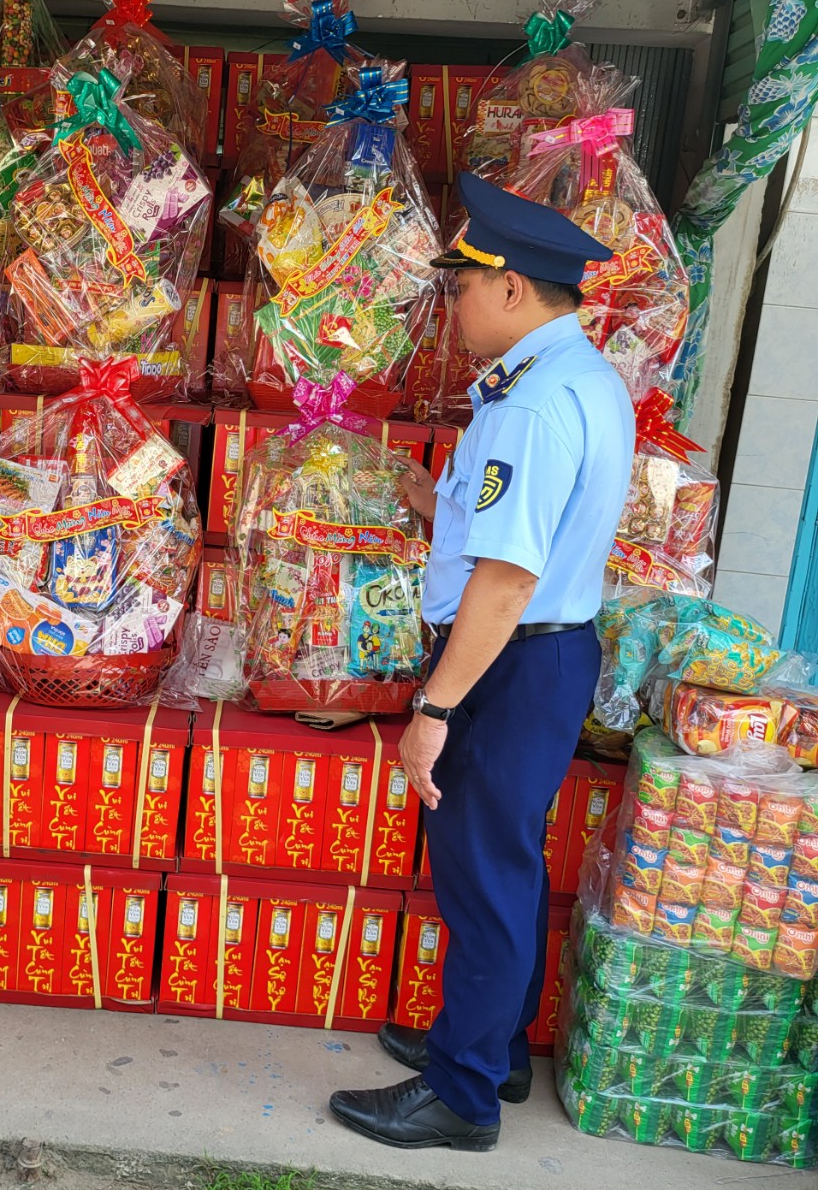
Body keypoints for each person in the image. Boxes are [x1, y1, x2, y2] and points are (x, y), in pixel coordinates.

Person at [329, 172, 635, 1152]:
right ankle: (491, 1048)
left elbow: (504, 580)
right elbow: (511, 528)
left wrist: (433, 708)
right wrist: (426, 500)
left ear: (510, 286)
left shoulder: (531, 405)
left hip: (507, 661)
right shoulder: (581, 377)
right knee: (503, 863)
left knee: (484, 875)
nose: (452, 304)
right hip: (543, 655)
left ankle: (460, 1098)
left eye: (460, 286)